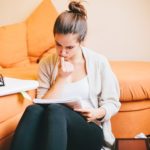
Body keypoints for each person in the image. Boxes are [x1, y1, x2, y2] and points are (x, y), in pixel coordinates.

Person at [10, 1, 121, 150]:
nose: (62, 52)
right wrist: (60, 79)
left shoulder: (99, 62)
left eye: (69, 47)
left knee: (56, 110)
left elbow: (113, 103)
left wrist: (96, 113)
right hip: (54, 130)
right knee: (33, 110)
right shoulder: (47, 63)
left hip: (88, 130)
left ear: (82, 41)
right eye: (58, 45)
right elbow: (41, 105)